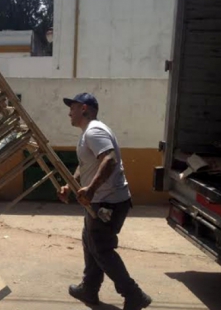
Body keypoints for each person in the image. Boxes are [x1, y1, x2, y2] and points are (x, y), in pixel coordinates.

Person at [59, 93, 152, 310]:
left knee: (101, 248)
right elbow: (86, 165)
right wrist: (70, 185)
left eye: (72, 108)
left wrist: (91, 190)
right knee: (90, 242)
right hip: (100, 201)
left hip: (108, 202)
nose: (68, 112)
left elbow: (109, 160)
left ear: (84, 108)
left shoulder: (94, 131)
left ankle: (134, 294)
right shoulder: (88, 133)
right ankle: (89, 289)